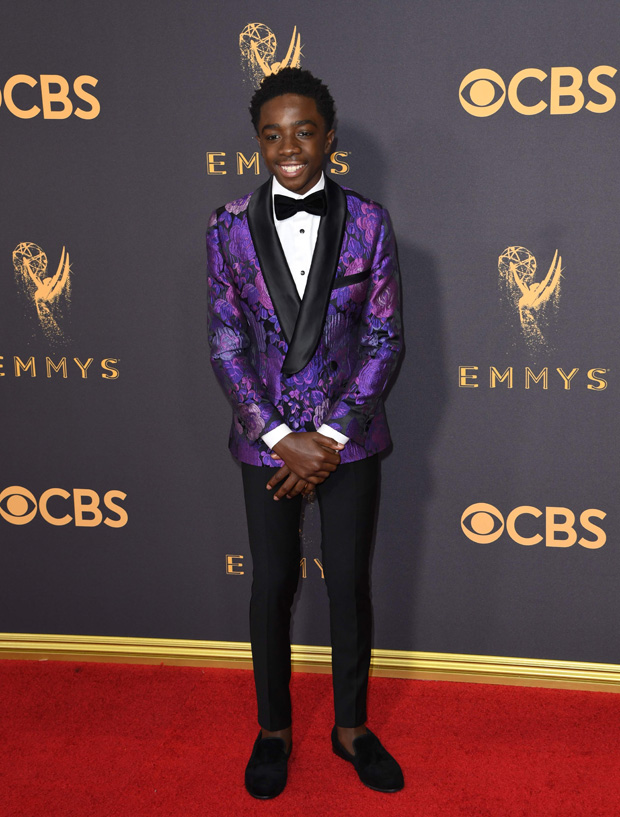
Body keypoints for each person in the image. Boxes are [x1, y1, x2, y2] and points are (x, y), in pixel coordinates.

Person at [207, 67, 403, 799]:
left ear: (330, 138)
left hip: (347, 440)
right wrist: (281, 433)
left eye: (304, 130)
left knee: (349, 583)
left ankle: (351, 727)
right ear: (258, 143)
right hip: (266, 444)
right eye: (272, 134)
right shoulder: (226, 227)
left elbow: (385, 341)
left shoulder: (371, 223)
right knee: (273, 585)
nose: (288, 146)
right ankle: (273, 729)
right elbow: (226, 342)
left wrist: (323, 436)